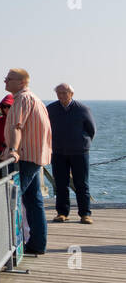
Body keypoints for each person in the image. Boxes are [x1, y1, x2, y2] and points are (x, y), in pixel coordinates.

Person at [3, 68, 52, 256]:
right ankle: (37, 244)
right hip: (34, 156)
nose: (5, 82)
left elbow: (17, 127)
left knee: (12, 199)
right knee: (33, 201)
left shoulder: (22, 99)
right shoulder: (35, 98)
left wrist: (12, 150)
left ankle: (15, 246)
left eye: (9, 79)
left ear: (21, 82)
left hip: (24, 157)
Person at [47, 83, 95, 224]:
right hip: (58, 152)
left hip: (79, 152)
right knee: (61, 184)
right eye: (58, 93)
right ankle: (62, 213)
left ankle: (85, 214)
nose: (61, 95)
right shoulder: (51, 109)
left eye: (64, 93)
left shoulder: (82, 109)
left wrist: (82, 143)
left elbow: (91, 130)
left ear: (71, 94)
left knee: (82, 184)